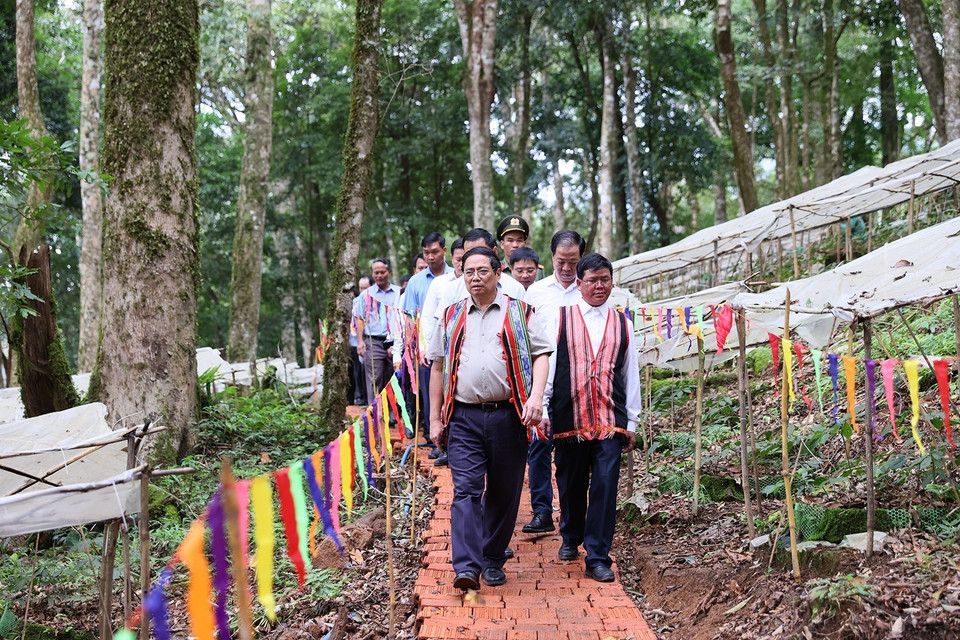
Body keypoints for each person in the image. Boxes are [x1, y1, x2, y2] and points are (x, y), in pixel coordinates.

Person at [428, 247, 552, 590]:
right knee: (466, 490)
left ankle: (493, 557)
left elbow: (542, 355)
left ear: (498, 273)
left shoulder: (521, 312)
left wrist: (536, 398)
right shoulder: (450, 315)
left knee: (504, 490)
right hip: (464, 416)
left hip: (508, 415)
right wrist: (435, 421)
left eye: (483, 271)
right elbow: (437, 366)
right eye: (469, 272)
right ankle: (466, 566)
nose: (475, 278)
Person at [546, 252, 640, 583]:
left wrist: (632, 422)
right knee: (570, 482)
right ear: (579, 283)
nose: (599, 286)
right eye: (593, 281)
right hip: (569, 416)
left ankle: (598, 555)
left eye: (605, 280)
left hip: (610, 419)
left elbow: (631, 375)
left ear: (612, 283)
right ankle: (571, 535)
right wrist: (543, 406)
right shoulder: (560, 318)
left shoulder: (623, 324)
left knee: (604, 484)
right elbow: (550, 367)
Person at [519, 230, 586, 534]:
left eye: (573, 262)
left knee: (571, 452)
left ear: (581, 258)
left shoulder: (588, 291)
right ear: (551, 259)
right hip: (541, 382)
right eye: (561, 261)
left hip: (577, 383)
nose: (567, 268)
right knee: (538, 447)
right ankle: (542, 510)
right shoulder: (535, 292)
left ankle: (572, 519)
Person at [402, 233, 454, 455]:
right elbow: (410, 318)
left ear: (444, 250)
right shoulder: (415, 281)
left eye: (435, 252)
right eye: (426, 253)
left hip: (452, 344)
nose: (431, 257)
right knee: (429, 394)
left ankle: (451, 439)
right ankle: (434, 440)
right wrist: (412, 347)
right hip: (425, 347)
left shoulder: (456, 276)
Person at [418, 237, 465, 460]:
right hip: (442, 352)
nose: (462, 264)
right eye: (459, 259)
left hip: (466, 357)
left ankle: (456, 445)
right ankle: (440, 443)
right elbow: (429, 318)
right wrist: (429, 347)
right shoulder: (441, 284)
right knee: (438, 397)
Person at [353, 258, 402, 403]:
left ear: (389, 272)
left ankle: (394, 416)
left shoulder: (399, 292)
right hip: (373, 342)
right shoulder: (366, 294)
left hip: (395, 342)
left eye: (382, 272)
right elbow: (359, 318)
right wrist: (360, 341)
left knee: (394, 377)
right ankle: (375, 416)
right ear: (372, 274)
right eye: (376, 273)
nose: (379, 275)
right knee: (375, 379)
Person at [496, 215, 543, 280]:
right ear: (502, 244)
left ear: (524, 244)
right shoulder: (496, 270)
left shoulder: (537, 271)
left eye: (519, 240)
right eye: (510, 240)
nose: (515, 245)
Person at [348, 275, 371, 405]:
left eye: (365, 288)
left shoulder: (375, 301)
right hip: (355, 342)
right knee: (358, 371)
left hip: (371, 341)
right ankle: (361, 397)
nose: (363, 291)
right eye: (361, 288)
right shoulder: (356, 303)